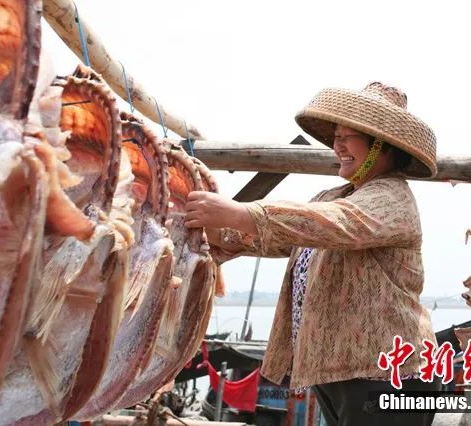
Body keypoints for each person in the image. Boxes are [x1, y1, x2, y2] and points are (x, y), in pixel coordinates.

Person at [185, 82, 441, 425]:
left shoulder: (392, 199)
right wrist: (220, 230)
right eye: (336, 135)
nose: (338, 144)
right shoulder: (332, 196)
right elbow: (282, 236)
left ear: (380, 145)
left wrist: (239, 213)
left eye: (348, 135)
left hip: (387, 380)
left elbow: (330, 224)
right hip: (338, 373)